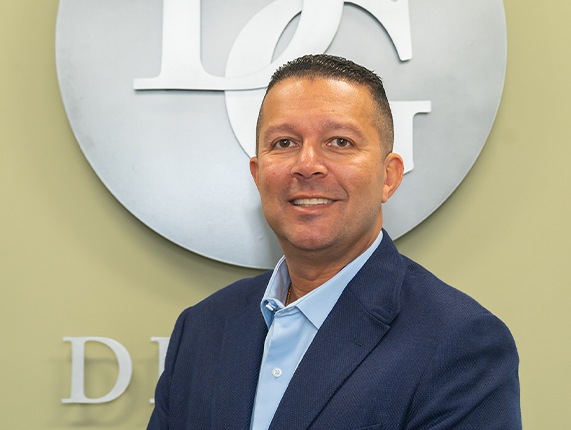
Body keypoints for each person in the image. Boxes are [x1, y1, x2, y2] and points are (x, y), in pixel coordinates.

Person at [147, 54, 521, 430]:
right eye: (284, 142)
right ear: (258, 176)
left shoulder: (461, 343)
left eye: (340, 141)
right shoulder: (200, 329)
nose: (307, 164)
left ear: (388, 177)